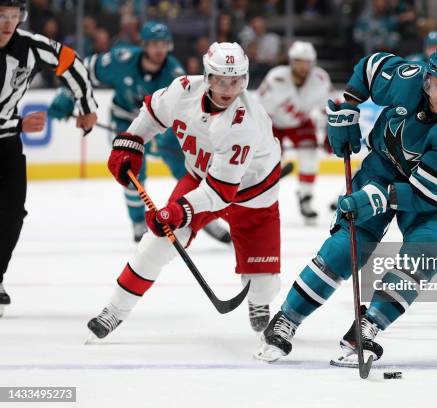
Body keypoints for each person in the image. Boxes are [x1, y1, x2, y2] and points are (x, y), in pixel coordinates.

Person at [256, 43, 437, 364]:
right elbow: (369, 66)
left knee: (426, 249)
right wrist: (350, 107)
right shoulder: (407, 78)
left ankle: (369, 325)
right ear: (426, 79)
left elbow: (429, 195)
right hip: (382, 168)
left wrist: (378, 199)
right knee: (346, 247)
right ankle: (288, 318)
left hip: (432, 193)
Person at [87, 42, 282, 338]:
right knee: (156, 243)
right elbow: (152, 113)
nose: (228, 89)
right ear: (207, 77)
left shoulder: (245, 124)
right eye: (220, 80)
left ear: (245, 80)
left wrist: (178, 209)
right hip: (201, 178)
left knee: (262, 284)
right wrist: (132, 141)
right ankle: (114, 310)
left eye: (236, 81)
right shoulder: (182, 91)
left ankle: (258, 300)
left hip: (254, 193)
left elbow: (219, 194)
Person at [48, 21, 230, 244]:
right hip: (125, 121)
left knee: (186, 166)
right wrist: (68, 94)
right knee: (132, 170)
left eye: (163, 44)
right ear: (144, 45)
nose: (159, 49)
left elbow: (184, 112)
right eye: (154, 44)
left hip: (163, 126)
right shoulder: (120, 59)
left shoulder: (174, 74)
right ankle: (137, 221)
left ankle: (202, 216)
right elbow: (82, 69)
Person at [0, 0, 97, 316]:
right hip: (12, 130)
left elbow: (71, 62)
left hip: (8, 146)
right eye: (2, 16)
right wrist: (18, 123)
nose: (7, 23)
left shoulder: (30, 47)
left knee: (13, 214)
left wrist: (85, 107)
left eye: (14, 17)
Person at [257, 41, 332, 225]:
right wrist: (262, 137)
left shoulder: (321, 79)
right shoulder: (276, 78)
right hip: (272, 123)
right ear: (290, 61)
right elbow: (260, 110)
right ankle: (259, 201)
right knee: (268, 164)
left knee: (309, 156)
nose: (302, 66)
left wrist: (331, 130)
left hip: (300, 123)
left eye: (306, 62)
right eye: (298, 61)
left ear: (313, 62)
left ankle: (305, 198)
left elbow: (328, 108)